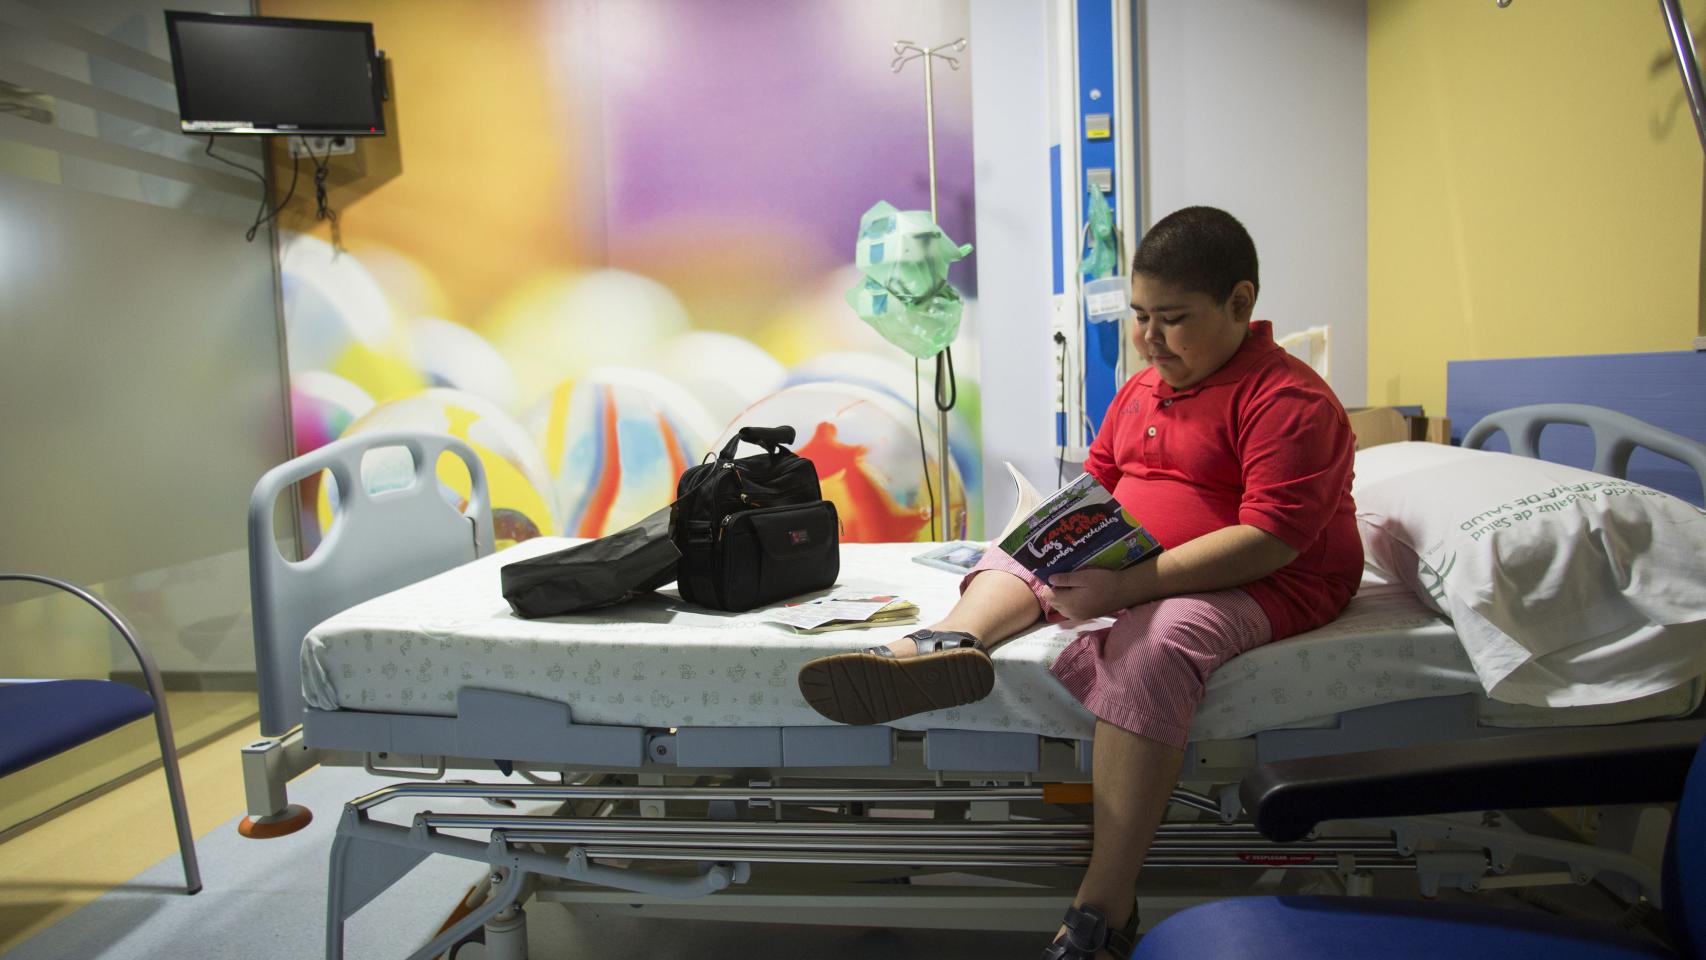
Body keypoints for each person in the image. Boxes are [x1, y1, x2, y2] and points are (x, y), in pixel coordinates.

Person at [797, 206, 1363, 960]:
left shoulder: (1288, 402)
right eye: (1139, 316)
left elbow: (1272, 539)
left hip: (1269, 579)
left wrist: (1128, 590)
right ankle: (943, 648)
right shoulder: (1144, 388)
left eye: (1172, 319)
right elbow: (1097, 478)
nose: (1149, 339)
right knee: (1014, 553)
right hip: (1139, 557)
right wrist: (1059, 540)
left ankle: (1106, 902)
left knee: (1159, 644)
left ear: (1240, 303)